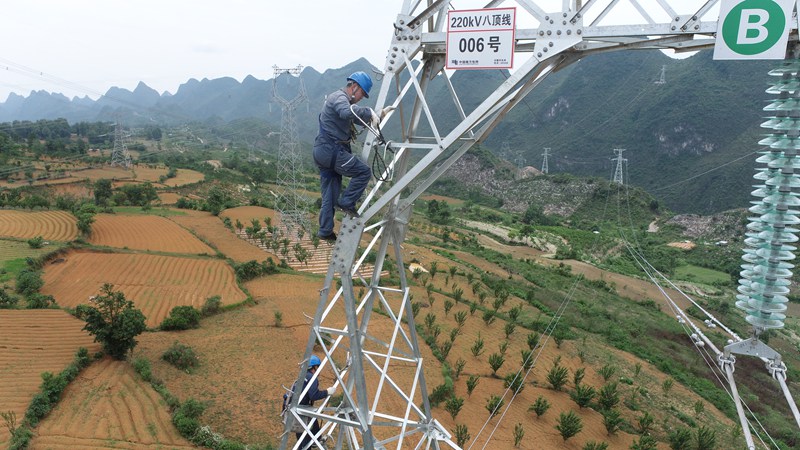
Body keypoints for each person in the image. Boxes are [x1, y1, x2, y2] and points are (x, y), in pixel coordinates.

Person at [312, 71, 381, 241]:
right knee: (363, 172)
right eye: (361, 94)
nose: (360, 98)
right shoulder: (339, 98)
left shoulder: (343, 101)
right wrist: (368, 112)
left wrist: (378, 115)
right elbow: (346, 112)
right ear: (354, 86)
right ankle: (347, 203)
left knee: (330, 194)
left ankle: (325, 231)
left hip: (324, 151)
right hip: (331, 151)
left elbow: (357, 117)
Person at [295, 355, 337, 449]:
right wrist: (327, 392)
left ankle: (315, 440)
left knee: (302, 442)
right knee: (306, 441)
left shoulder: (303, 376)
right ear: (314, 367)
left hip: (295, 410)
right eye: (318, 367)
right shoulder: (311, 378)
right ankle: (316, 440)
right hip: (302, 412)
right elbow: (314, 395)